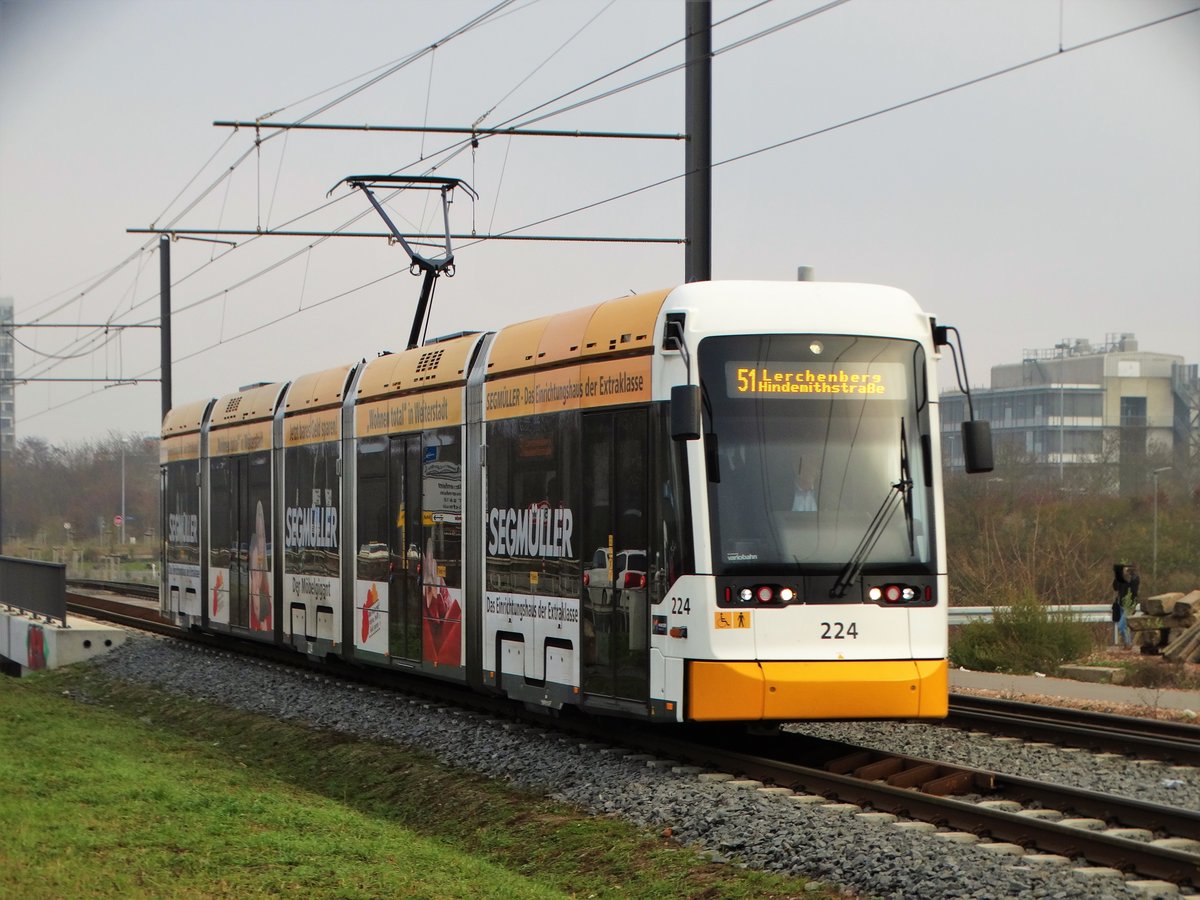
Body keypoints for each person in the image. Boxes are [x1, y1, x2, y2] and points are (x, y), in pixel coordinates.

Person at [1111, 562, 1140, 650]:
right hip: (1121, 604)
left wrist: (1129, 576)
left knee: (1121, 626)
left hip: (1129, 605)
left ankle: (1128, 643)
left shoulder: (1134, 578)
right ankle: (1127, 644)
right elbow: (1115, 587)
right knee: (1125, 626)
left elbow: (1134, 590)